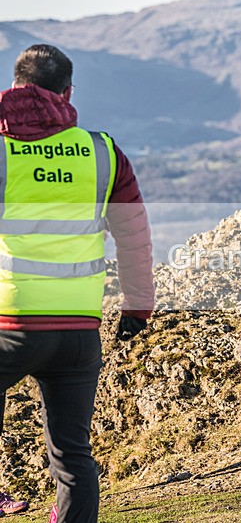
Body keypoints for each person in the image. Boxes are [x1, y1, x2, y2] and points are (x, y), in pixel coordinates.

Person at [0, 44, 154, 522]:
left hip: (9, 324)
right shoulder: (102, 153)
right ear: (67, 93)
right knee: (72, 455)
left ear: (16, 86)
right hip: (79, 330)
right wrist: (138, 306)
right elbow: (134, 236)